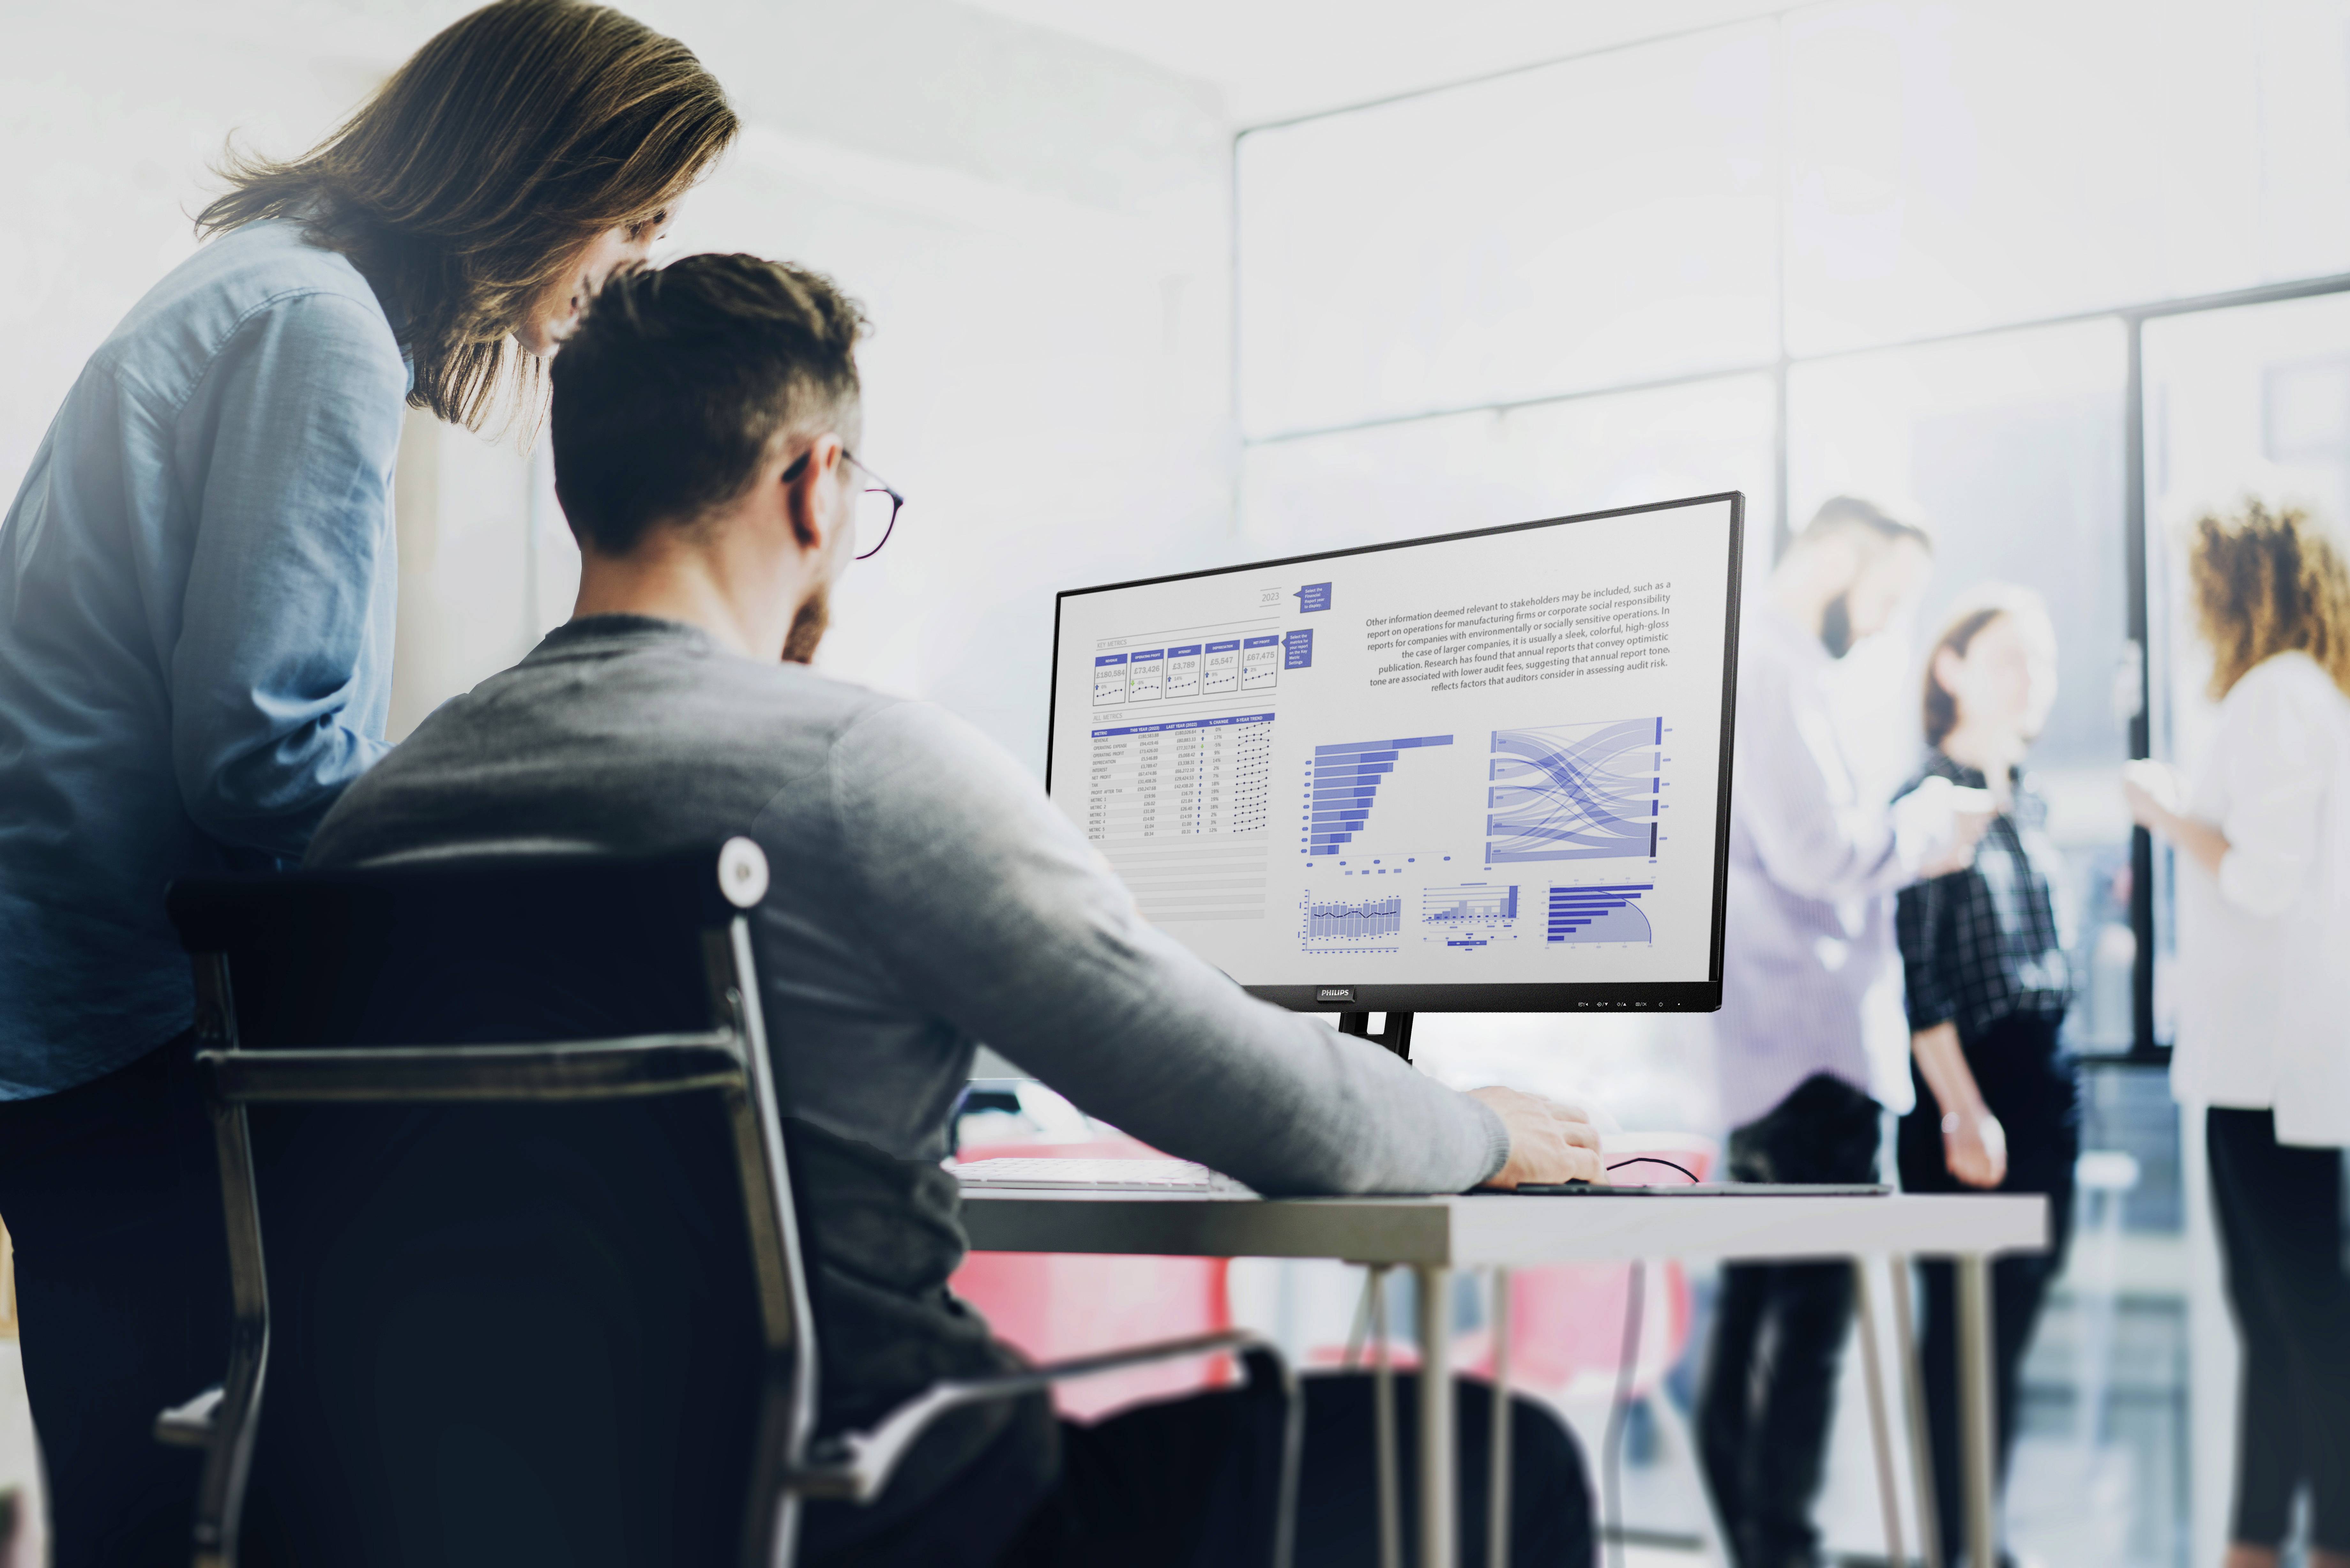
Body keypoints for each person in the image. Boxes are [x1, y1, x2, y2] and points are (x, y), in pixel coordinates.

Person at [302, 252, 1604, 1568]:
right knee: (1504, 1465)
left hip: (472, 1521)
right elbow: (1288, 1114)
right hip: (869, 1515)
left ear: (580, 487)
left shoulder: (374, 821)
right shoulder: (854, 771)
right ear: (815, 485)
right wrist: (1480, 1123)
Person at [0, 6, 735, 1561]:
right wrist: (511, 840)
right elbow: (266, 759)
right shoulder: (314, 323)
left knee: (145, 1496)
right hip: (112, 1019)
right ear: (547, 171)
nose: (630, 272)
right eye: (640, 219)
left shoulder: (256, 286)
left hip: (68, 1008)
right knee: (204, 1506)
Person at [1696, 496, 1990, 1568]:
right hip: (1811, 1048)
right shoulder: (1775, 670)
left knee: (1758, 1316)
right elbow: (1824, 856)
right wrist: (1926, 828)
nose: (1880, 626)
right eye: (1885, 597)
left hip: (1775, 1049)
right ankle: (1782, 1550)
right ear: (1829, 556)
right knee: (1804, 1333)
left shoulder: (1765, 669)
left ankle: (1760, 1544)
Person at [2125, 501, 2350, 1568]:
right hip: (2283, 1063)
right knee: (2281, 1316)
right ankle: (2256, 1543)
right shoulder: (2315, 693)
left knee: (2301, 1319)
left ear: (2239, 582)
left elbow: (2263, 875)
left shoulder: (2276, 696)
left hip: (2266, 1067)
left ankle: (2309, 1541)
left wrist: (2170, 813)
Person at [1894, 586, 2076, 1568]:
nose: (2031, 678)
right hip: (1971, 1096)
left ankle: (1979, 1540)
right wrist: (1964, 1108)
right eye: (2010, 655)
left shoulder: (2030, 801)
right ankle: (1959, 1546)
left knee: (2007, 1338)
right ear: (1952, 668)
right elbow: (1917, 978)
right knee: (1964, 1341)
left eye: (2043, 661)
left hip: (2049, 1095)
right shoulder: (1927, 802)